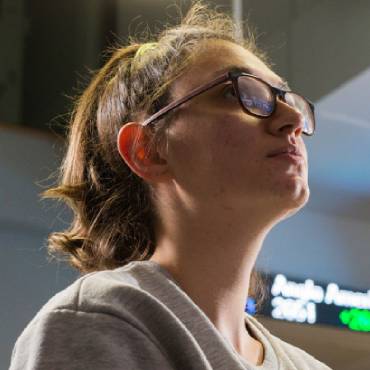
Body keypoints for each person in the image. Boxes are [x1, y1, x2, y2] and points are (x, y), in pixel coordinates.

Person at [10, 2, 332, 369]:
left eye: (288, 99)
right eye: (240, 93)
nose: (292, 119)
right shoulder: (98, 321)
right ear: (147, 150)